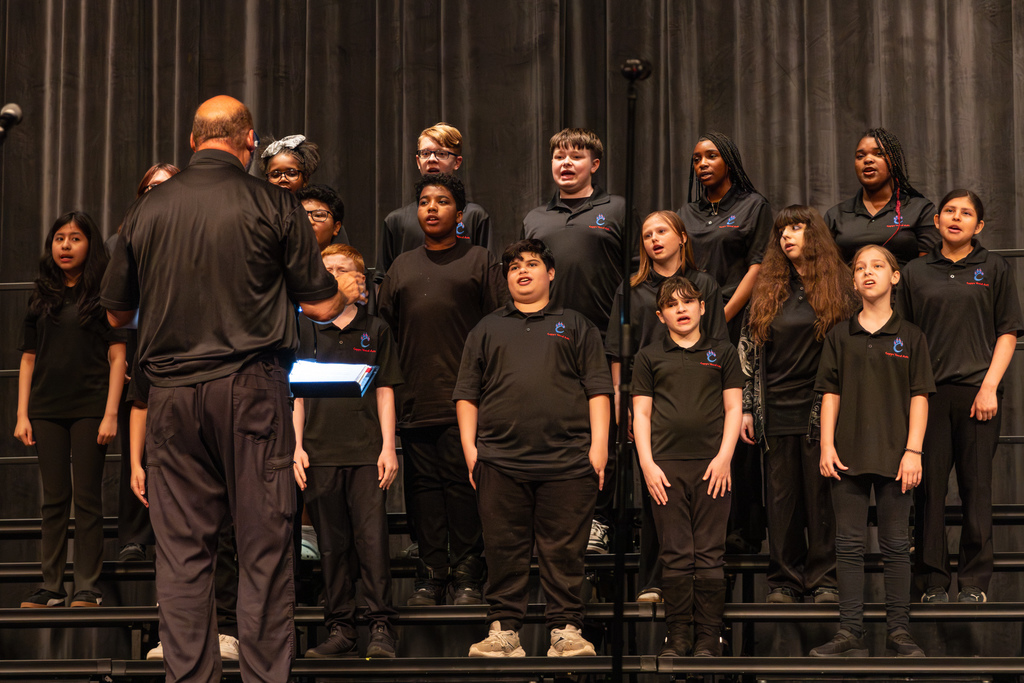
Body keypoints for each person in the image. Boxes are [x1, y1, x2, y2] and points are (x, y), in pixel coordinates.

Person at [101, 95, 362, 683]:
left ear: (193, 142)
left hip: (168, 396)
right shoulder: (274, 202)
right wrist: (347, 296)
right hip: (249, 390)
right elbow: (321, 303)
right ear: (249, 145)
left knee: (183, 554)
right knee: (264, 547)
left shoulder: (146, 210)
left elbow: (115, 316)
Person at [455, 238, 611, 658]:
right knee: (503, 550)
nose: (522, 271)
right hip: (500, 461)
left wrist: (599, 450)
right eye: (513, 267)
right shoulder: (486, 328)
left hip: (568, 462)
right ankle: (504, 633)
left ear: (551, 273)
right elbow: (467, 394)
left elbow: (599, 389)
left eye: (532, 264)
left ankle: (566, 631)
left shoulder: (577, 324)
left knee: (565, 552)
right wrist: (472, 450)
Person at [377, 172, 504, 607]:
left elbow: (497, 329)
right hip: (415, 398)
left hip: (464, 400)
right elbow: (385, 333)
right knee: (423, 492)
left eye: (442, 201)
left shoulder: (481, 260)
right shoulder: (401, 267)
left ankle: (468, 573)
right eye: (426, 201)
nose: (432, 208)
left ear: (460, 212)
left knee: (463, 486)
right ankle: (432, 573)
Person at [897, 190, 1023, 603]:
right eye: (949, 211)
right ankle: (932, 582)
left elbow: (1007, 332)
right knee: (929, 491)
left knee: (976, 488)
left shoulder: (994, 268)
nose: (956, 218)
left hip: (978, 396)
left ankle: (973, 583)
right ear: (937, 221)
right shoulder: (915, 273)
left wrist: (989, 387)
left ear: (979, 226)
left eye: (966, 213)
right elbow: (906, 340)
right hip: (928, 397)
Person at [811, 245, 934, 658]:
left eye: (877, 266)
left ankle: (899, 632)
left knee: (897, 545)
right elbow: (830, 392)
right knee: (847, 545)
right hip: (846, 455)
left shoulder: (911, 336)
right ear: (854, 281)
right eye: (860, 268)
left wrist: (913, 450)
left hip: (897, 456)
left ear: (894, 277)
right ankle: (850, 633)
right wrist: (826, 444)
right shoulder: (840, 335)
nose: (867, 273)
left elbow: (920, 396)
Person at [605, 210, 727, 602]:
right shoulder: (632, 288)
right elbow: (618, 351)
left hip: (699, 398)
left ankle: (698, 576)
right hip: (648, 396)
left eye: (662, 231)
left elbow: (721, 344)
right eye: (647, 235)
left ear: (681, 238)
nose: (654, 239)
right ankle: (655, 579)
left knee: (702, 494)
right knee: (656, 490)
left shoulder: (703, 285)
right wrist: (622, 399)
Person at [521, 127, 632, 555]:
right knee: (555, 428)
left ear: (594, 165)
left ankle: (600, 520)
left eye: (576, 157)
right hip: (551, 340)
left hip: (605, 341)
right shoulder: (536, 218)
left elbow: (637, 274)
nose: (566, 164)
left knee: (605, 433)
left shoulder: (617, 208)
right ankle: (553, 520)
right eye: (559, 158)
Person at [738, 206, 856, 605]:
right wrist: (748, 408)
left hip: (822, 407)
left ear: (814, 234)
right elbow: (748, 352)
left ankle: (824, 579)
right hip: (775, 408)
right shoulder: (769, 287)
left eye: (797, 227)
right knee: (781, 499)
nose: (787, 235)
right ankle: (785, 580)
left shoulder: (840, 286)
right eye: (781, 230)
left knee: (822, 497)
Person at [292, 244, 401, 659]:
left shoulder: (376, 328)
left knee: (371, 541)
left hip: (366, 452)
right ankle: (341, 627)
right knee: (332, 545)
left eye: (341, 269)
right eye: (326, 269)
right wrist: (296, 446)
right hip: (318, 453)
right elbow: (294, 395)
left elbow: (386, 390)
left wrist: (388, 447)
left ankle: (380, 627)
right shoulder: (303, 330)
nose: (333, 275)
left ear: (359, 282)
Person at [16, 211, 126, 608]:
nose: (65, 245)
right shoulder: (41, 295)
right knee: (54, 498)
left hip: (90, 406)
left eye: (75, 238)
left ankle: (87, 587)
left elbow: (118, 357)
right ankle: (51, 586)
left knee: (87, 498)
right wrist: (22, 413)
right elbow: (28, 359)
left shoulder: (103, 297)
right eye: (59, 238)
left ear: (89, 245)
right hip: (46, 407)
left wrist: (111, 412)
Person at [632, 275, 743, 657]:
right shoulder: (649, 357)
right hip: (665, 468)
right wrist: (647, 464)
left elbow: (733, 407)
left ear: (702, 307)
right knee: (677, 551)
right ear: (660, 315)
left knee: (709, 552)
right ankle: (678, 637)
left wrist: (725, 456)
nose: (681, 309)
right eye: (672, 305)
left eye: (687, 302)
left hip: (714, 466)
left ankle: (709, 638)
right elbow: (641, 415)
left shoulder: (723, 352)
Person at [678, 130, 772, 554]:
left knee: (744, 422)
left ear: (729, 162)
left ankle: (745, 528)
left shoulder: (753, 206)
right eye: (697, 158)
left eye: (711, 156)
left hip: (737, 324)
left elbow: (758, 266)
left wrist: (720, 315)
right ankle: (705, 521)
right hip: (693, 328)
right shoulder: (688, 212)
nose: (702, 164)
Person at [112, 163, 180, 562]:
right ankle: (135, 535)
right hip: (135, 352)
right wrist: (118, 352)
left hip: (180, 352)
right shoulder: (121, 240)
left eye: (165, 186)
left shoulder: (191, 235)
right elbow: (111, 305)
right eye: (151, 186)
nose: (157, 191)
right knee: (135, 449)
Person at [375, 122, 491, 282]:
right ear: (417, 161)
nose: (431, 159)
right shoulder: (395, 220)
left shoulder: (475, 216)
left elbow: (489, 275)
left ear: (457, 162)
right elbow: (382, 280)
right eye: (425, 153)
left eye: (441, 154)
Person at [823, 128, 939, 267]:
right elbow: (826, 267)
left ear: (894, 161)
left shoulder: (920, 209)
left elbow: (928, 267)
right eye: (860, 156)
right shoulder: (836, 215)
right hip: (849, 288)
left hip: (904, 288)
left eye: (879, 154)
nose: (868, 160)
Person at [296, 184, 351, 250]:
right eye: (301, 215)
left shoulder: (347, 260)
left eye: (318, 215)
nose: (308, 221)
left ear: (336, 227)